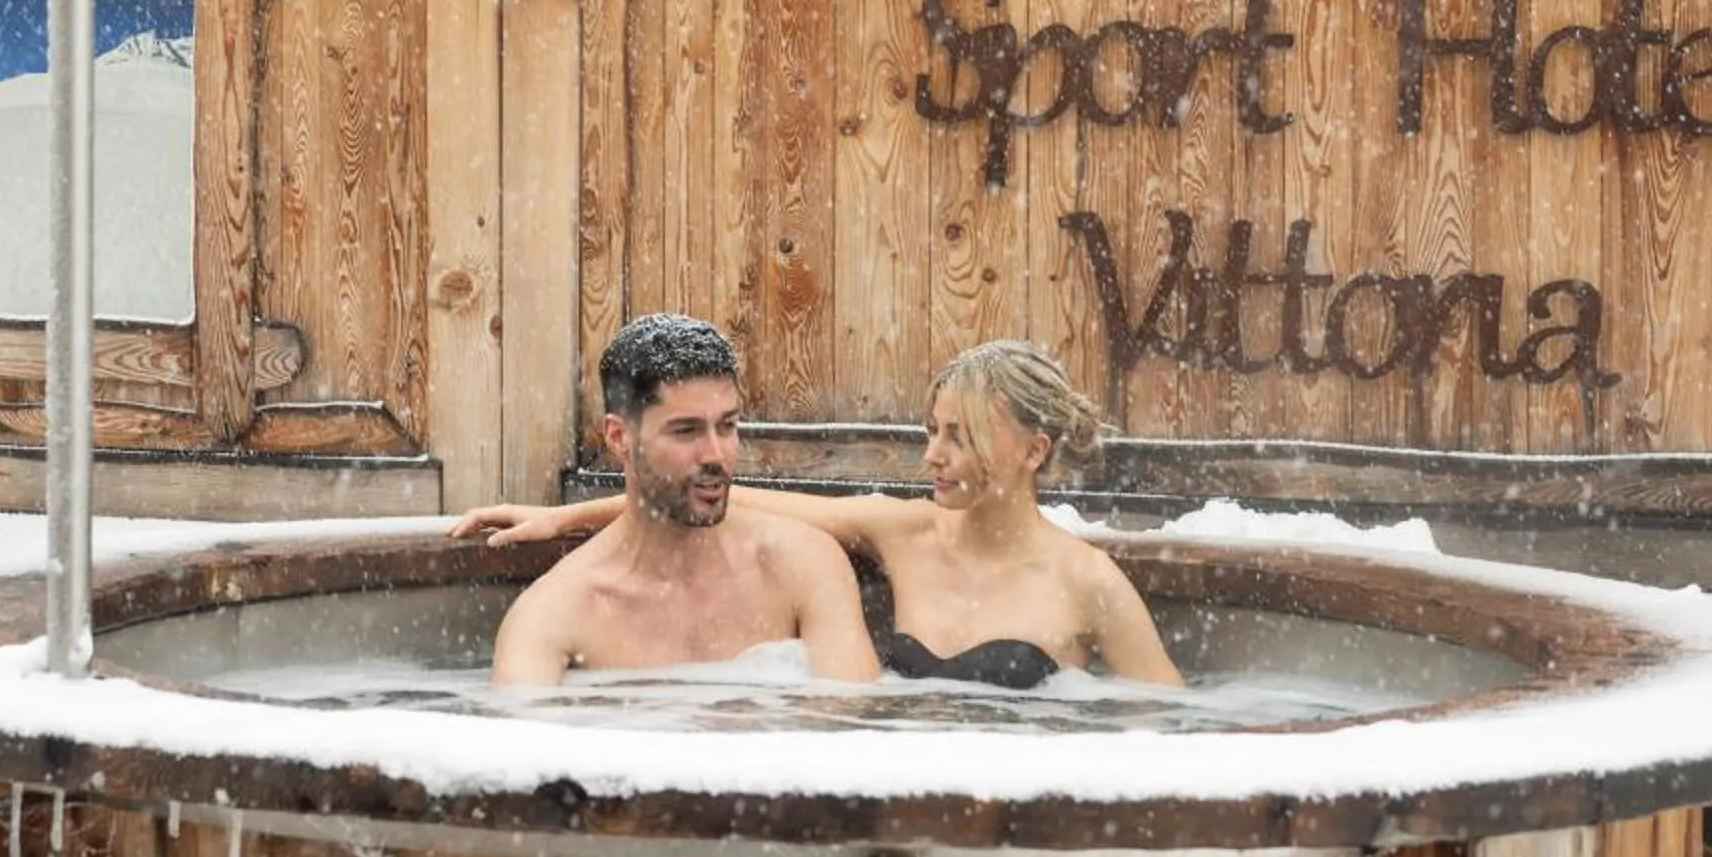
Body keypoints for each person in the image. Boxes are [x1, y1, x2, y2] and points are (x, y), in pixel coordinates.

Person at [458, 339, 1183, 689]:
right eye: (930, 431)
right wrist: (567, 518)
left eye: (959, 437)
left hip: (1018, 809)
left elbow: (1169, 724)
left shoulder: (1087, 582)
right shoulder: (903, 532)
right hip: (897, 781)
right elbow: (720, 497)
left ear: (1034, 451)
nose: (932, 455)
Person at [484, 314, 881, 687]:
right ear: (618, 437)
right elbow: (520, 752)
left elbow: (848, 737)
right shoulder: (553, 617)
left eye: (726, 426)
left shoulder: (802, 563)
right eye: (686, 431)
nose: (715, 454)